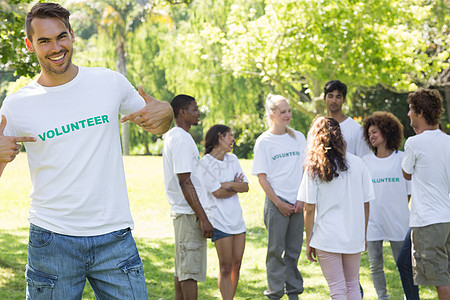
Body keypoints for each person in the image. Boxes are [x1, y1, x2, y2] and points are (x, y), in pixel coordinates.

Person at [0, 2, 173, 299]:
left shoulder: (109, 82)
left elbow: (157, 124)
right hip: (52, 240)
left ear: (72, 36)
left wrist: (168, 113)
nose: (56, 47)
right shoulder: (16, 105)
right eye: (44, 41)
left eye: (61, 36)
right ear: (30, 45)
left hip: (114, 236)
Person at [299, 116, 374, 300]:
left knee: (338, 289)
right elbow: (366, 203)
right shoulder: (359, 163)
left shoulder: (315, 168)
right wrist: (363, 234)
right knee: (352, 285)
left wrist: (309, 240)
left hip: (327, 237)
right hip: (353, 235)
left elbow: (309, 208)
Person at [252, 94, 306, 300]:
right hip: (276, 205)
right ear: (271, 115)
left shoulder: (298, 137)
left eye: (289, 111)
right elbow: (262, 178)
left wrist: (302, 199)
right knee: (275, 251)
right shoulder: (264, 142)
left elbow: (306, 170)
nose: (288, 115)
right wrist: (279, 203)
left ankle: (293, 292)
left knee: (293, 251)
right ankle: (274, 293)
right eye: (283, 112)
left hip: (297, 204)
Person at [162, 94, 214, 300]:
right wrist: (203, 218)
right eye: (194, 109)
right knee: (189, 273)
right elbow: (185, 181)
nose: (198, 112)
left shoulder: (177, 136)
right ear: (182, 112)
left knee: (182, 272)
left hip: (184, 213)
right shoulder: (181, 139)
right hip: (188, 215)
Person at [401, 88, 450, 300]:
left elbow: (406, 173)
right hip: (445, 217)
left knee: (440, 279)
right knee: (404, 261)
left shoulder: (414, 143)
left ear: (420, 112)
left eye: (410, 110)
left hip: (427, 222)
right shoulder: (448, 141)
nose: (408, 115)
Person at [362, 111, 411, 299]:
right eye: (369, 133)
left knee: (404, 265)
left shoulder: (402, 158)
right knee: (375, 265)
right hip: (373, 222)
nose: (371, 136)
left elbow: (408, 192)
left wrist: (395, 208)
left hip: (398, 221)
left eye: (375, 132)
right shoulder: (366, 162)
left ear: (387, 132)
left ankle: (409, 295)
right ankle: (382, 297)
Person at [200, 124, 249, 300]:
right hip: (219, 220)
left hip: (237, 221)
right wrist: (231, 186)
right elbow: (217, 193)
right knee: (226, 267)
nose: (233, 140)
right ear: (219, 137)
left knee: (237, 265)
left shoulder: (233, 159)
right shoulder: (205, 163)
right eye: (230, 136)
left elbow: (245, 186)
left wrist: (228, 184)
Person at [323, 80, 371, 158]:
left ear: (344, 99)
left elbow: (365, 160)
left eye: (338, 97)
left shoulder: (356, 129)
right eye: (330, 96)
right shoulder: (318, 128)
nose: (334, 100)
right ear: (324, 98)